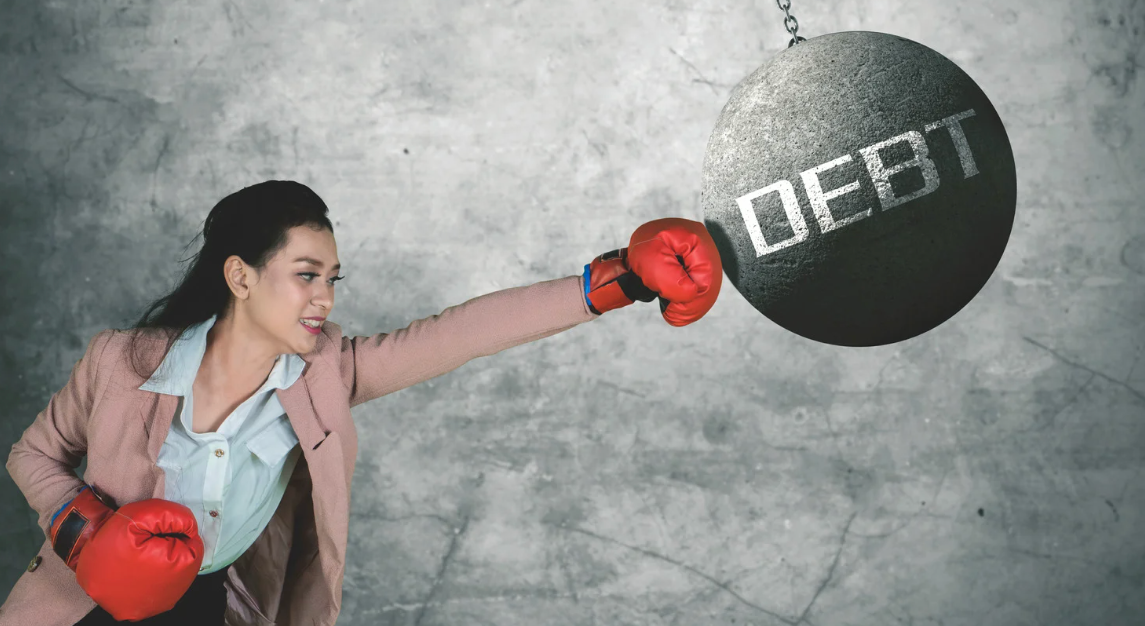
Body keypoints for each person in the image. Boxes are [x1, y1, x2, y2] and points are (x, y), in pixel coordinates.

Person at [2, 180, 722, 626]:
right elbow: (32, 452)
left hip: (203, 610)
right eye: (307, 274)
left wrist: (616, 283)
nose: (326, 298)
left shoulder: (326, 376)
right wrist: (84, 529)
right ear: (240, 276)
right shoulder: (123, 362)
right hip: (79, 606)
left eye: (334, 278)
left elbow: (459, 334)